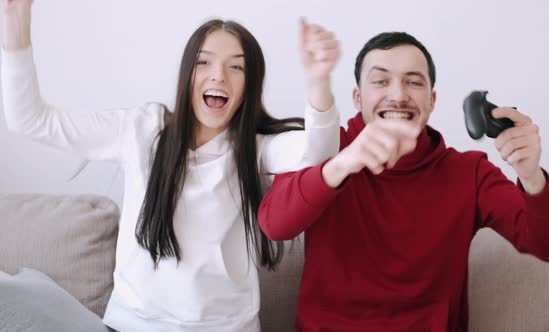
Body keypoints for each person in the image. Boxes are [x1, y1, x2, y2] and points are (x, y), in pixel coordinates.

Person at [1, 1, 341, 331]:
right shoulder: (141, 129)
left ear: (249, 85)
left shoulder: (256, 148)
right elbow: (30, 119)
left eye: (236, 66)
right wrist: (16, 23)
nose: (218, 75)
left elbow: (319, 153)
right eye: (204, 62)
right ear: (186, 74)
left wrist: (319, 82)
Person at [258, 30, 549, 331]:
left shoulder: (469, 172)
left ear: (431, 101)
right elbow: (275, 225)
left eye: (413, 82)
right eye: (381, 81)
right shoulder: (323, 149)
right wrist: (343, 163)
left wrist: (531, 175)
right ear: (357, 97)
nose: (398, 95)